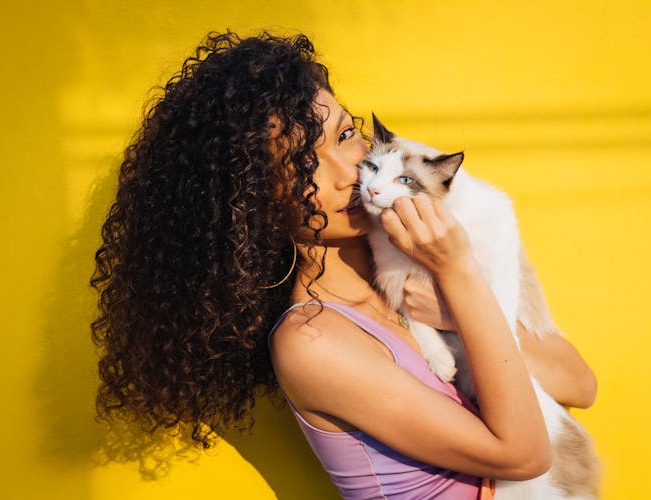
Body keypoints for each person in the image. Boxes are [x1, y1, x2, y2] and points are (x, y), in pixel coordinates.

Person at [91, 31, 596, 499]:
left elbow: (579, 384)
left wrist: (450, 313)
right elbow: (526, 454)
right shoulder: (313, 341)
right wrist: (461, 277)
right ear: (256, 204)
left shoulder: (410, 277)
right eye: (304, 163)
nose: (347, 172)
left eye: (346, 134)